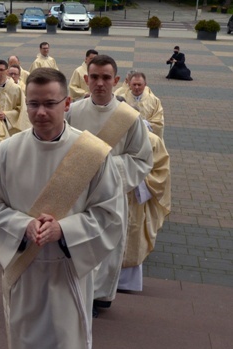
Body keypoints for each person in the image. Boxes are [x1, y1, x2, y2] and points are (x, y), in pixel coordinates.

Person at [0, 67, 124, 349]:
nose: (41, 112)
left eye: (50, 104)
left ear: (67, 103)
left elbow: (111, 214)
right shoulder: (8, 149)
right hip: (24, 267)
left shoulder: (91, 153)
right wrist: (22, 227)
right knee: (29, 346)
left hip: (67, 270)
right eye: (34, 104)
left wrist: (64, 229)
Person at [66, 55, 153, 315]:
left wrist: (104, 167)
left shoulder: (130, 117)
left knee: (107, 246)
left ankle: (100, 297)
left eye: (106, 78)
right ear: (86, 79)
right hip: (78, 194)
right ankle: (77, 291)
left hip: (111, 195)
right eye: (94, 77)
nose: (100, 83)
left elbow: (142, 159)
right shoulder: (73, 112)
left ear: (116, 81)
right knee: (79, 243)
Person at [119, 130, 171, 292]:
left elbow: (161, 172)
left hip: (134, 198)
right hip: (108, 195)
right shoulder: (108, 134)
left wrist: (135, 178)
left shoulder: (151, 140)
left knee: (131, 234)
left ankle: (125, 283)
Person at [0, 59, 30, 135]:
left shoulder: (16, 89)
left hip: (9, 128)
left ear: (7, 71)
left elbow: (21, 110)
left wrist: (6, 115)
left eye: (1, 70)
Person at [123, 71, 165, 139]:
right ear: (129, 84)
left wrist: (146, 124)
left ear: (145, 84)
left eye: (139, 84)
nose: (136, 87)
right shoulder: (122, 99)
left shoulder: (154, 101)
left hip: (147, 138)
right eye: (134, 84)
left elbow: (159, 122)